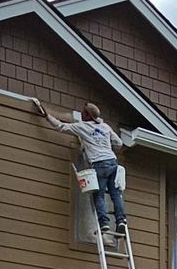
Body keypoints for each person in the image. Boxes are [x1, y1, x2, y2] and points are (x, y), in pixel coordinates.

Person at [33, 97, 125, 245]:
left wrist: (47, 116)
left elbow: (61, 127)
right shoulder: (106, 127)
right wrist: (104, 144)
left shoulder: (82, 127)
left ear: (88, 115)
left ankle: (105, 225)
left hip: (98, 164)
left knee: (99, 195)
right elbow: (119, 144)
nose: (81, 115)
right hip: (113, 163)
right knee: (115, 194)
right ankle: (121, 220)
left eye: (83, 113)